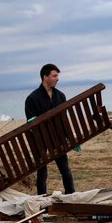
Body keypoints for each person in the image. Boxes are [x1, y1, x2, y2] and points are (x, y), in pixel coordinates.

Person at [25, 63, 76, 195]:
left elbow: (64, 119)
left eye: (57, 76)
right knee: (42, 172)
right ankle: (41, 198)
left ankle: (71, 195)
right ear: (45, 77)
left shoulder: (61, 96)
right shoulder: (32, 98)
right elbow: (30, 123)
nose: (57, 79)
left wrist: (69, 138)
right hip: (40, 140)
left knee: (65, 169)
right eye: (54, 76)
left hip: (58, 138)